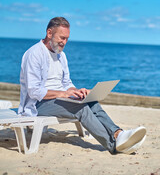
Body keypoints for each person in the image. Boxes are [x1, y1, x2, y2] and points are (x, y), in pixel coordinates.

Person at [18, 17, 146, 154]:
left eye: (67, 39)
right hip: (38, 104)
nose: (64, 42)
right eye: (61, 38)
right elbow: (34, 91)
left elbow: (66, 83)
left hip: (57, 100)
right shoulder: (34, 54)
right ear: (49, 33)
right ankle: (113, 145)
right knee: (81, 109)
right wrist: (63, 94)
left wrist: (76, 91)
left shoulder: (62, 56)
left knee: (91, 102)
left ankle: (118, 133)